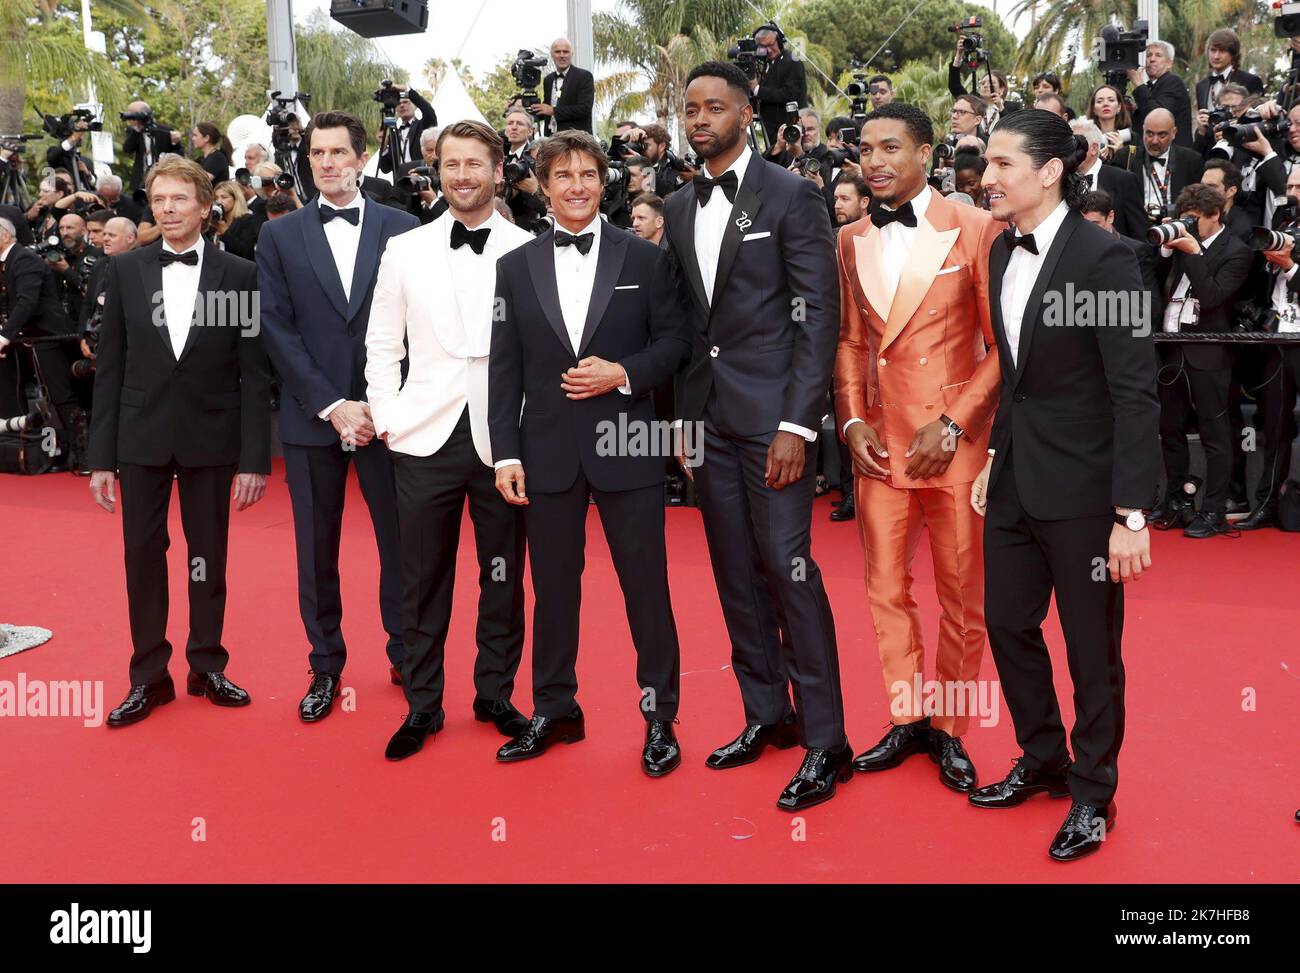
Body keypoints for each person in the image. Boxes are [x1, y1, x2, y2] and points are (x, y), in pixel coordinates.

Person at [970, 109, 1160, 861]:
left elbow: (1135, 390)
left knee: (1091, 649)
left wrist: (1132, 512)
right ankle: (1043, 754)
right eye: (986, 164)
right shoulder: (997, 251)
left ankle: (1093, 791)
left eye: (1001, 165)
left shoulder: (1105, 259)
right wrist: (992, 458)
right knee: (1007, 622)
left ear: (1049, 172)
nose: (986, 178)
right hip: (1016, 475)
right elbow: (1015, 380)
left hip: (1086, 492)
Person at [663, 61, 849, 811]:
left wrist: (799, 423)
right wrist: (679, 415)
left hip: (776, 420)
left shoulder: (793, 194)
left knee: (789, 567)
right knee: (734, 571)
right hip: (708, 422)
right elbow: (683, 327)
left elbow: (819, 314)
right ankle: (766, 713)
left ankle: (826, 740)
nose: (700, 118)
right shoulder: (677, 206)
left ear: (747, 113)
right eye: (691, 108)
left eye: (715, 107)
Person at [488, 129, 691, 775]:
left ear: (604, 181)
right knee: (551, 589)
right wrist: (504, 454)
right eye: (563, 175)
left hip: (629, 442)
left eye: (587, 173)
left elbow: (675, 345)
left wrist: (622, 373)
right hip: (546, 451)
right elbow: (504, 369)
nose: (577, 185)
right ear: (542, 187)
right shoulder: (513, 267)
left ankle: (659, 718)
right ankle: (554, 709)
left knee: (646, 588)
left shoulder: (644, 257)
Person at [835, 101, 1003, 794]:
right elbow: (850, 340)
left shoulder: (975, 226)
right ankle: (907, 717)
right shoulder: (849, 238)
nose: (874, 161)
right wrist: (850, 421)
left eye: (890, 148)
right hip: (881, 449)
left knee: (965, 598)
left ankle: (952, 730)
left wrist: (957, 423)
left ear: (927, 154)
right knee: (884, 592)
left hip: (954, 448)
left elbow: (1002, 347)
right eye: (866, 149)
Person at [363, 120, 532, 761]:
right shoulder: (405, 249)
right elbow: (381, 342)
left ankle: (494, 694)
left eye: (475, 164)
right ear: (439, 172)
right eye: (451, 164)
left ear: (497, 170)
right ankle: (423, 706)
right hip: (422, 436)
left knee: (503, 576)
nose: (462, 175)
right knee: (421, 579)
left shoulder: (527, 246)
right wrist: (388, 416)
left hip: (504, 441)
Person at [87, 154, 272, 726]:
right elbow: (110, 368)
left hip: (210, 438)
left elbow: (254, 374)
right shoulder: (125, 271)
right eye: (159, 199)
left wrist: (253, 458)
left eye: (179, 199)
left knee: (205, 555)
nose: (167, 209)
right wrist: (100, 458)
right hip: (139, 438)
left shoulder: (239, 275)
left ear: (204, 206)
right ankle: (148, 676)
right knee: (142, 555)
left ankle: (206, 663)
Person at [255, 111, 420, 722]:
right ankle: (325, 667)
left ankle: (407, 653)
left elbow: (417, 323)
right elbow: (277, 327)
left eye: (337, 153)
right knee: (315, 547)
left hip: (391, 417)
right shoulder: (278, 235)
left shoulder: (406, 230)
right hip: (312, 417)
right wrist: (333, 405)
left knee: (400, 543)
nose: (326, 163)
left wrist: (380, 405)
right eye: (316, 153)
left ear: (362, 157)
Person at [1149, 183, 1252, 538]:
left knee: (1214, 432)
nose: (1189, 227)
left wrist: (1192, 251)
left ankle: (1213, 511)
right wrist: (1166, 251)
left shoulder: (1236, 251)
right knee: (1171, 429)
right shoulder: (1179, 243)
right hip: (1171, 347)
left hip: (1208, 351)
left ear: (1214, 215)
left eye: (1194, 221)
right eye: (1185, 220)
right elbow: (1154, 282)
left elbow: (1210, 297)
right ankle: (1176, 502)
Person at [1070, 118, 1144, 238]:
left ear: (1093, 148)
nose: (1069, 150)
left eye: (1075, 144)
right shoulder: (1062, 182)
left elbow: (1140, 234)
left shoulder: (1123, 180)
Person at [748, 25, 809, 146]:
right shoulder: (766, 64)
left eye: (771, 45)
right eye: (763, 47)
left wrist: (757, 89)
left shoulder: (792, 60)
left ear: (780, 41)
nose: (769, 50)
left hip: (790, 133)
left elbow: (789, 94)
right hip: (771, 134)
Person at [1129, 40, 1194, 148]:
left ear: (1169, 63)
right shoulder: (1150, 87)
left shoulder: (1173, 81)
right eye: (1149, 55)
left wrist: (1137, 82)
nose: (1152, 59)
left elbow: (1157, 115)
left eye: (1158, 55)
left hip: (1174, 156)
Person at [536, 37, 595, 135]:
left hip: (576, 139)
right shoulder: (548, 80)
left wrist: (553, 111)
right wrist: (525, 108)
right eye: (557, 52)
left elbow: (584, 109)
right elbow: (546, 110)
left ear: (572, 54)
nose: (562, 55)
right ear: (552, 55)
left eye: (566, 52)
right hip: (551, 138)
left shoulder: (584, 76)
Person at [1196, 28, 1263, 111]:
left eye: (1222, 51)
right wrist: (1201, 123)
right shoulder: (1201, 86)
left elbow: (1258, 117)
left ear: (1233, 54)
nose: (1216, 56)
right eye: (1213, 50)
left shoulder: (1250, 81)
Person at [120, 101, 181, 191]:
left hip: (162, 177)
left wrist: (175, 142)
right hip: (141, 177)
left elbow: (179, 152)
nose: (131, 119)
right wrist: (137, 131)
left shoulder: (164, 130)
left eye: (133, 115)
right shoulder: (132, 131)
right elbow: (127, 149)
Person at [378, 86, 437, 173]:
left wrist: (407, 89)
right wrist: (383, 147)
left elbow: (428, 111)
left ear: (415, 106)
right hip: (400, 182)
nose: (402, 105)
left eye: (406, 102)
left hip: (420, 179)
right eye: (398, 103)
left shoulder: (423, 126)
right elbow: (385, 169)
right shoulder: (393, 134)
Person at [212, 181, 259, 259]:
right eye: (216, 198)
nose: (219, 201)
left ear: (236, 199)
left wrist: (225, 232)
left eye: (224, 197)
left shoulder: (248, 219)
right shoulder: (215, 219)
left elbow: (246, 251)